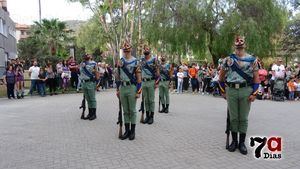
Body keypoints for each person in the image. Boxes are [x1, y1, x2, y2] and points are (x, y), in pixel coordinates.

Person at [219, 36, 259, 155]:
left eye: (241, 46)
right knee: (233, 118)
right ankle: (234, 141)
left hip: (246, 90)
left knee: (243, 118)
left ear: (244, 46)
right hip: (231, 90)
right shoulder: (228, 60)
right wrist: (223, 91)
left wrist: (254, 93)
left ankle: (242, 143)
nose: (239, 48)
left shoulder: (252, 60)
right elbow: (221, 78)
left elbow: (256, 79)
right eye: (237, 46)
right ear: (234, 46)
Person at [115, 42, 142, 140]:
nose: (126, 52)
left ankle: (133, 131)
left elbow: (139, 78)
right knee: (125, 111)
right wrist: (117, 89)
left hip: (132, 87)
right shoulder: (120, 61)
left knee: (132, 110)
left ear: (131, 50)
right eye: (124, 51)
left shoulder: (136, 61)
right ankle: (127, 131)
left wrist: (138, 91)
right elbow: (117, 76)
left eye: (127, 50)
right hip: (123, 87)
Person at [140, 45, 160, 125]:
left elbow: (158, 72)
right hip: (144, 82)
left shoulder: (154, 60)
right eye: (145, 49)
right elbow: (139, 70)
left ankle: (151, 117)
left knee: (151, 100)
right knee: (146, 100)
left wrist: (156, 83)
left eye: (147, 49)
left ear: (150, 50)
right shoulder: (142, 60)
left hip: (151, 81)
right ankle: (147, 116)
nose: (146, 50)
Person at [79, 54, 100, 120]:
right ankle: (90, 113)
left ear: (90, 56)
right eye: (85, 55)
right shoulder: (82, 63)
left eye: (88, 55)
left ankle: (94, 114)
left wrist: (97, 83)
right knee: (88, 99)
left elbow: (97, 73)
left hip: (90, 82)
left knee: (92, 99)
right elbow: (80, 72)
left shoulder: (94, 63)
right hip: (83, 83)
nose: (86, 55)